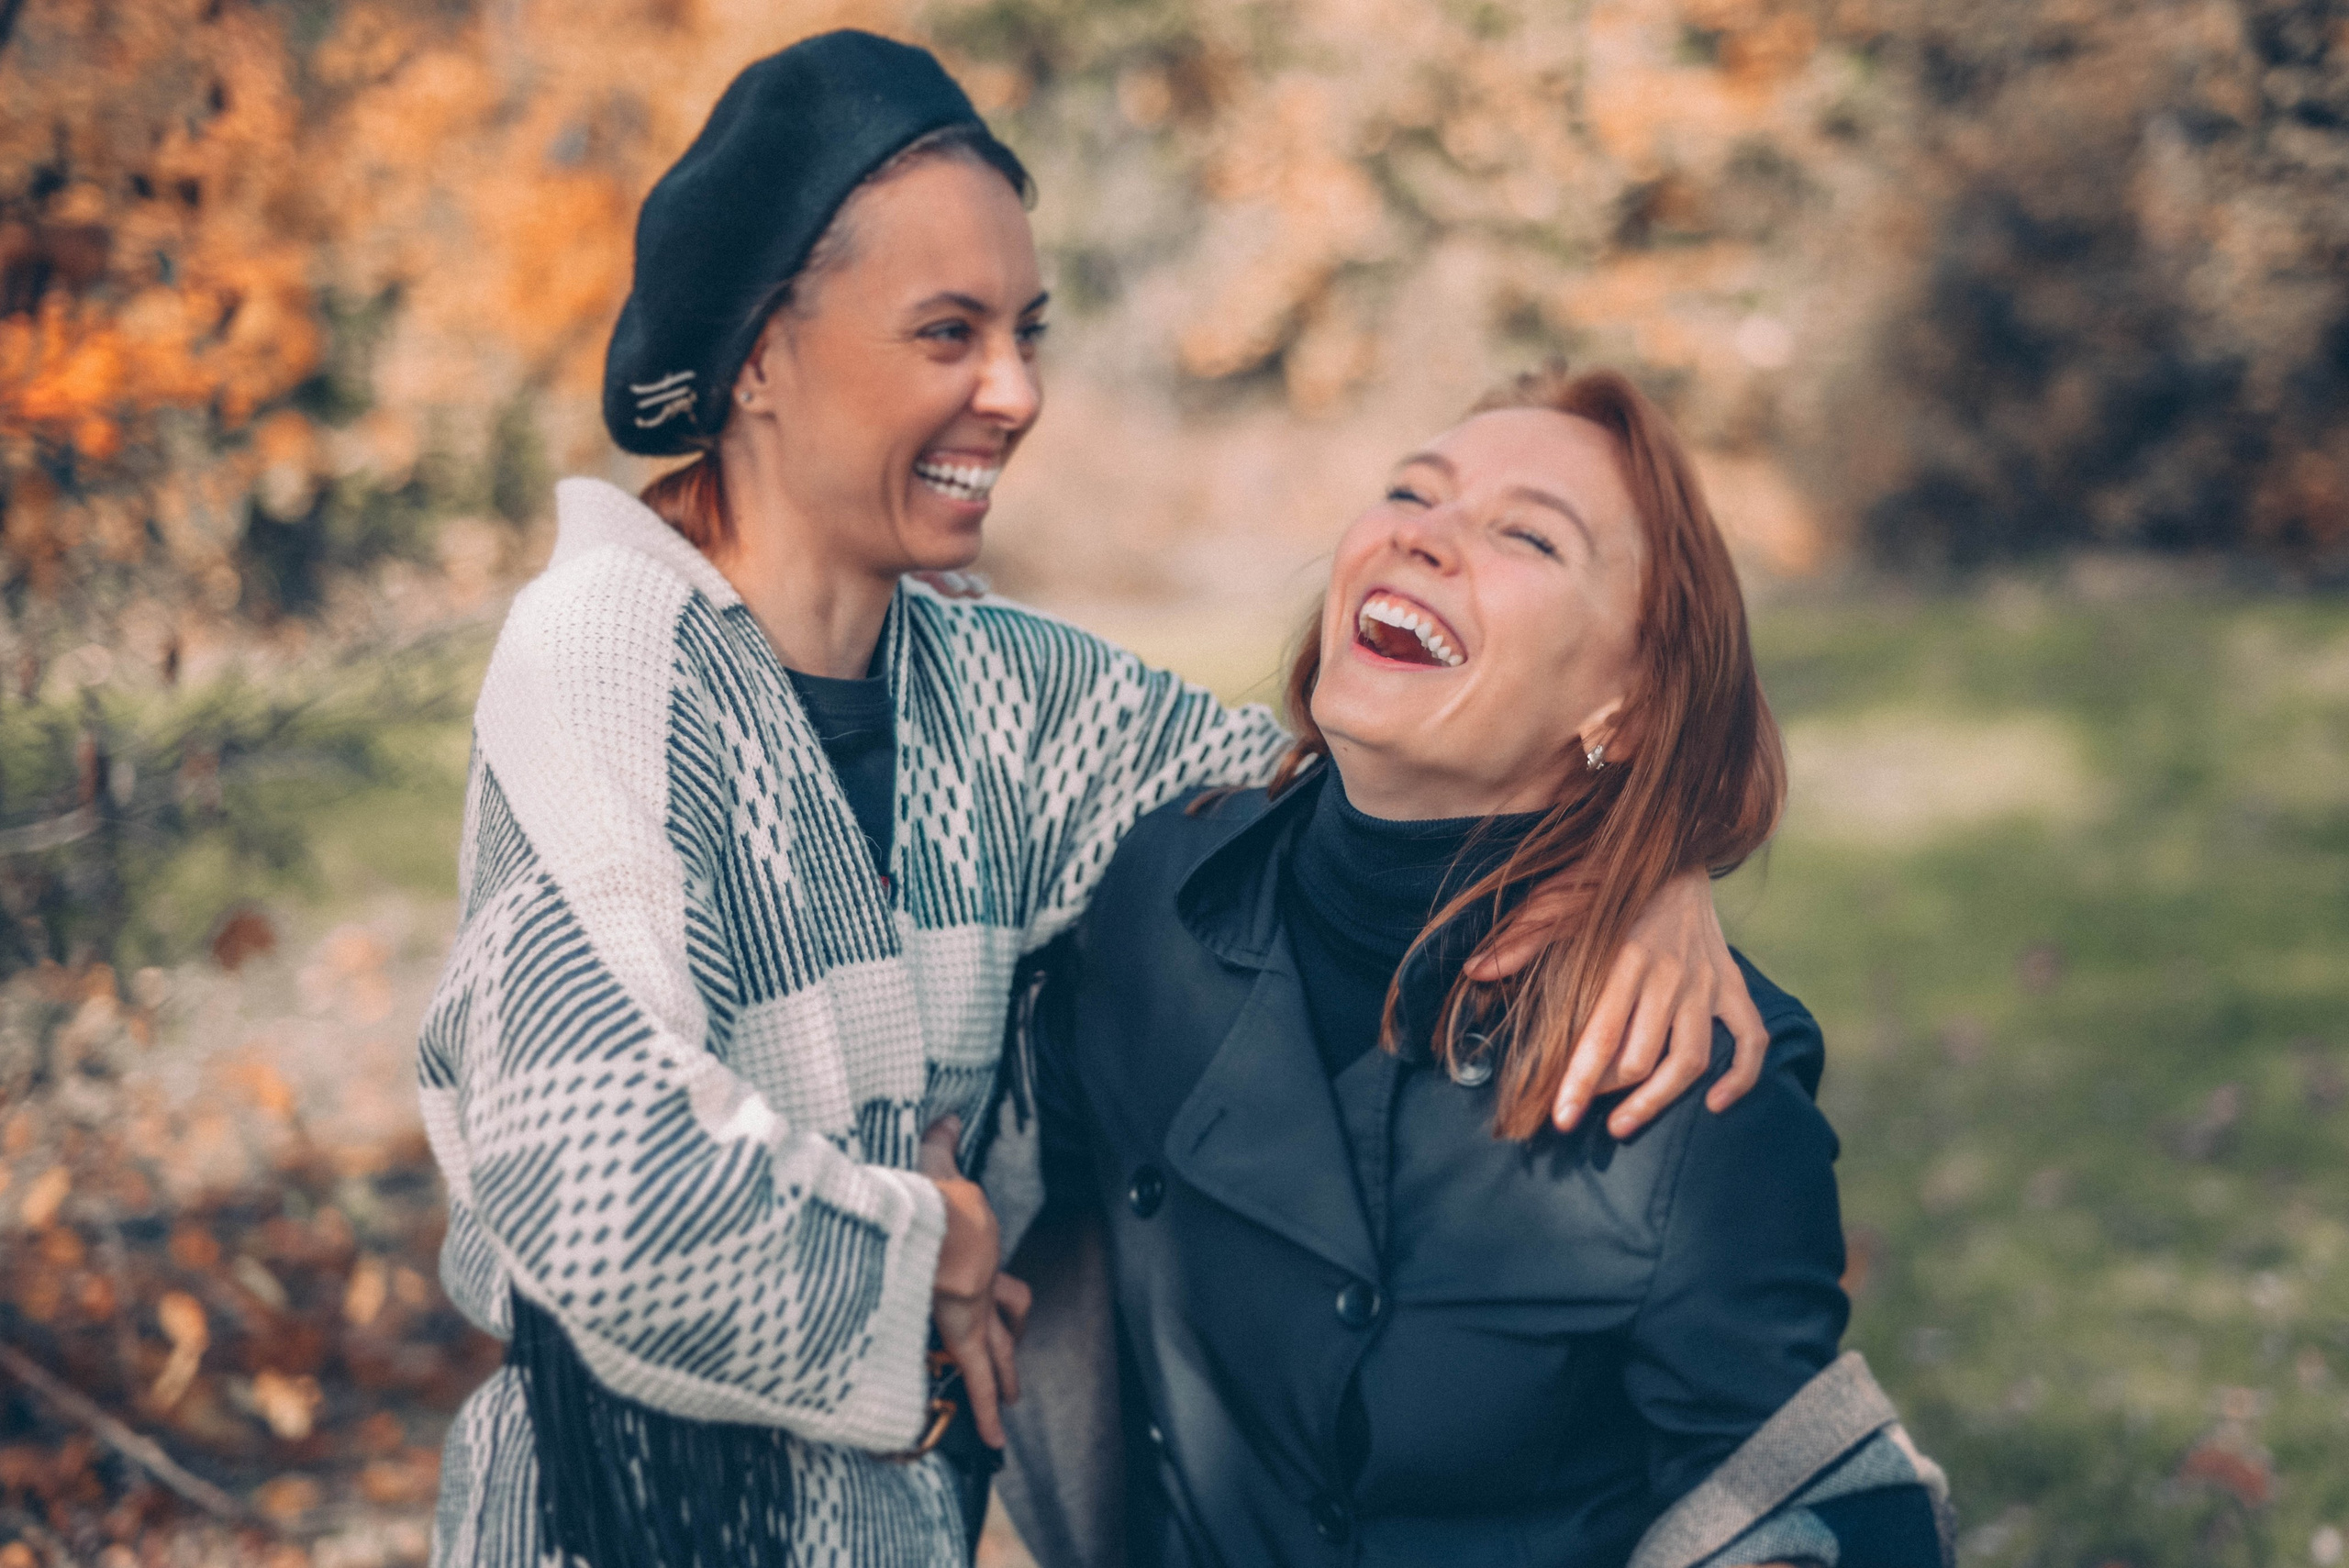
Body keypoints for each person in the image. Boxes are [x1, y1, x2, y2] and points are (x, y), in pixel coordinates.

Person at [419, 33, 1771, 1568]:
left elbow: (1359, 787)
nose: (1015, 391)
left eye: (1026, 330)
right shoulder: (602, 652)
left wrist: (1651, 861)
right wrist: (924, 1256)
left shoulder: (1009, 694)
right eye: (945, 333)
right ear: (758, 358)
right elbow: (595, 1188)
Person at [1010, 366, 1954, 1567]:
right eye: (1414, 489)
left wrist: (1659, 861)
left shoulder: (1682, 1084)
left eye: (1526, 534)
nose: (1426, 533)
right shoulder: (1155, 893)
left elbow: (1799, 1515)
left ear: (1625, 699)